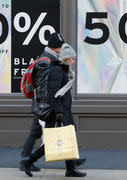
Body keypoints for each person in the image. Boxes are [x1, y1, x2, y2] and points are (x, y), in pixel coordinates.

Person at [20, 43, 86, 178]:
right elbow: (53, 93)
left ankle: (70, 168)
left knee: (68, 138)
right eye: (72, 58)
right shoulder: (57, 71)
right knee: (52, 142)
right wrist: (59, 112)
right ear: (66, 58)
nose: (74, 61)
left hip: (62, 110)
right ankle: (29, 161)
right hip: (57, 112)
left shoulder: (63, 70)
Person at [19, 32, 65, 173]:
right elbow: (45, 86)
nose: (63, 48)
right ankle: (27, 161)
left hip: (41, 104)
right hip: (44, 105)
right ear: (55, 47)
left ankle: (25, 160)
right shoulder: (46, 61)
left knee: (35, 132)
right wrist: (49, 106)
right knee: (48, 134)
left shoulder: (50, 58)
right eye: (61, 46)